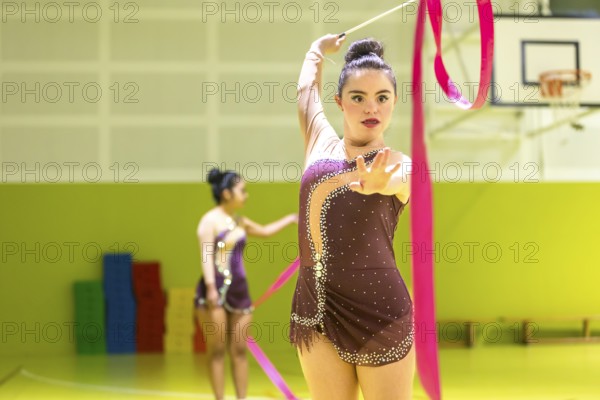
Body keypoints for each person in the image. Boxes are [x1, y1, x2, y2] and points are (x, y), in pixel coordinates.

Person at [289, 33, 415, 400]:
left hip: (379, 310)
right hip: (317, 306)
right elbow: (304, 92)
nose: (370, 108)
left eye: (382, 98)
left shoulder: (398, 163)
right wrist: (315, 50)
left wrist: (383, 183)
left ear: (393, 103)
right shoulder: (318, 140)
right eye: (358, 98)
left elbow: (404, 179)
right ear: (340, 103)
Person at [195, 167, 298, 400]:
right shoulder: (209, 221)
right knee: (217, 350)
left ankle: (242, 398)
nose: (246, 195)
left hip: (239, 291)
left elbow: (265, 231)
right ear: (227, 193)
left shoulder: (240, 221)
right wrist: (211, 288)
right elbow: (205, 254)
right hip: (215, 290)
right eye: (242, 190)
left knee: (240, 350)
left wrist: (291, 219)